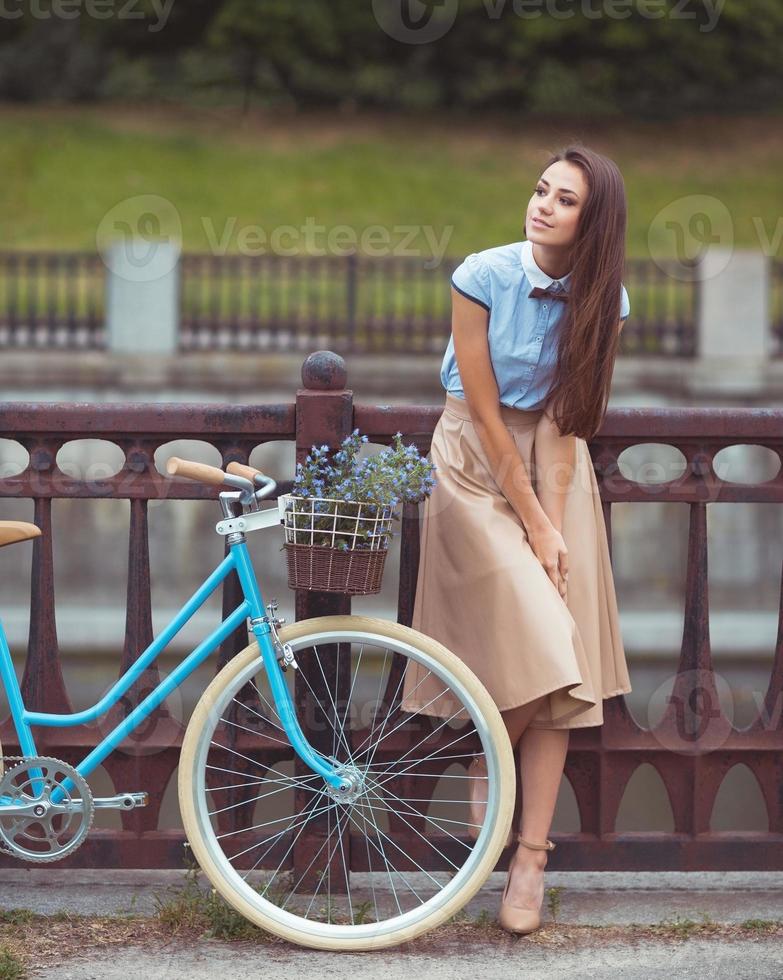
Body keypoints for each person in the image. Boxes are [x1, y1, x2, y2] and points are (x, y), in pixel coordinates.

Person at [400, 143, 633, 934]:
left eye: (563, 199)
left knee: (563, 649)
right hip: (472, 455)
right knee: (539, 631)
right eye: (540, 190)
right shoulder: (482, 274)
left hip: (554, 458)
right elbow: (485, 407)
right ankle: (488, 762)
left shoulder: (609, 300)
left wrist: (556, 519)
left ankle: (528, 857)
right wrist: (533, 523)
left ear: (591, 219)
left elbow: (566, 422)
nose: (541, 205)